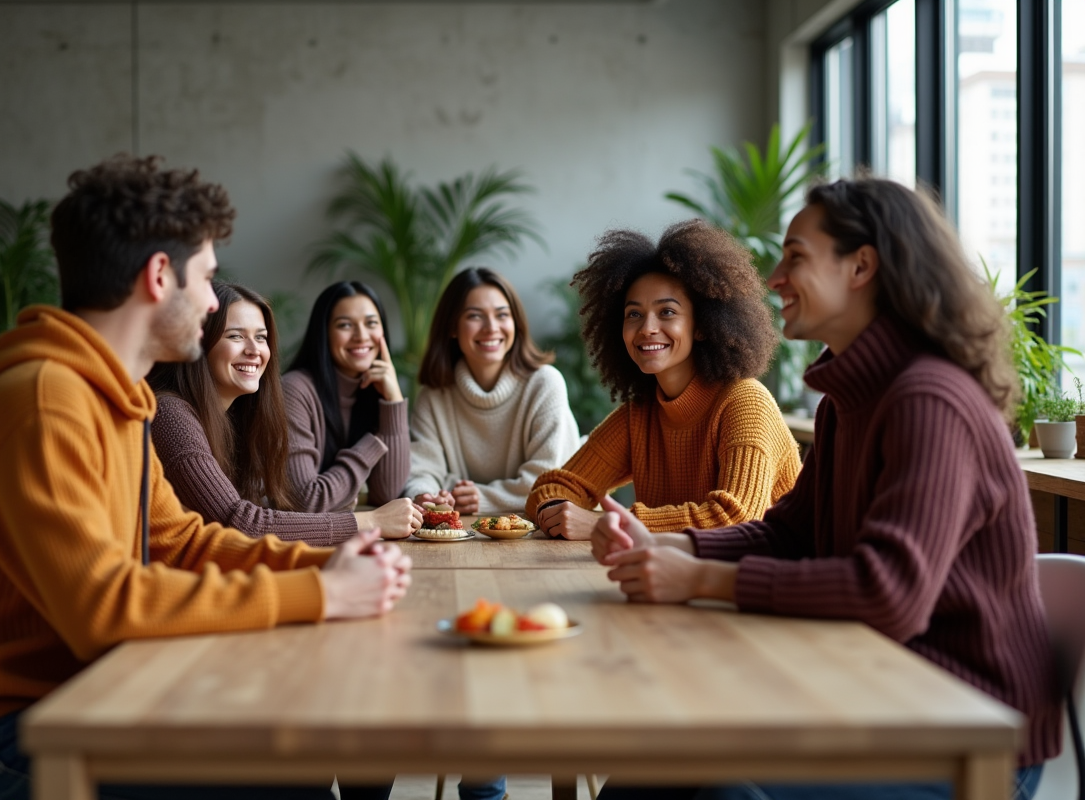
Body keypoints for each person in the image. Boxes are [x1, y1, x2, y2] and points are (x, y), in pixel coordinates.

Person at [0, 155, 412, 800]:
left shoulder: (117, 402)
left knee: (302, 748)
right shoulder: (45, 402)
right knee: (291, 771)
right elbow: (104, 606)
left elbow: (185, 541)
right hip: (17, 736)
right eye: (205, 280)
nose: (211, 302)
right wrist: (324, 597)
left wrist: (323, 566)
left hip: (94, 692)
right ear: (157, 277)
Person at [592, 178, 1059, 800]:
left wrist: (702, 579)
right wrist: (677, 549)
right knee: (648, 771)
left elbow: (887, 591)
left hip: (965, 724)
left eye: (796, 257)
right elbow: (792, 532)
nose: (775, 276)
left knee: (725, 791)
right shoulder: (847, 401)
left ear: (861, 266)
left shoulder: (929, 398)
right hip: (875, 687)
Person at [526, 220, 801, 540]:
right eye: (634, 314)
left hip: (768, 580)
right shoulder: (640, 414)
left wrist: (608, 525)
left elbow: (735, 518)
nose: (647, 328)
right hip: (679, 575)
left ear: (702, 325)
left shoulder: (745, 402)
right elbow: (553, 487)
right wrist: (558, 512)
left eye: (667, 312)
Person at [149, 282, 422, 544]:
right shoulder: (171, 415)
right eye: (235, 336)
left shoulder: (238, 415)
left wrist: (394, 401)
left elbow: (256, 508)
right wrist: (370, 522)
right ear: (198, 342)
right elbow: (241, 523)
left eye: (261, 337)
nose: (254, 350)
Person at [405, 267, 580, 515]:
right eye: (475, 316)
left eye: (502, 315)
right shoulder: (433, 396)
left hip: (542, 530)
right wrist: (426, 496)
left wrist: (482, 498)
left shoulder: (545, 383)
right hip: (460, 532)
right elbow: (422, 472)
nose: (491, 327)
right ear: (452, 327)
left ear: (515, 323)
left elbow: (549, 480)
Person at [282, 281, 410, 513]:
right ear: (324, 333)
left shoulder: (374, 391)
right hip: (285, 543)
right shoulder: (294, 391)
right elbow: (307, 502)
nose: (361, 336)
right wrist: (372, 444)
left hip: (341, 537)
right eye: (345, 325)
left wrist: (394, 403)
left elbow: (387, 494)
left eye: (371, 323)